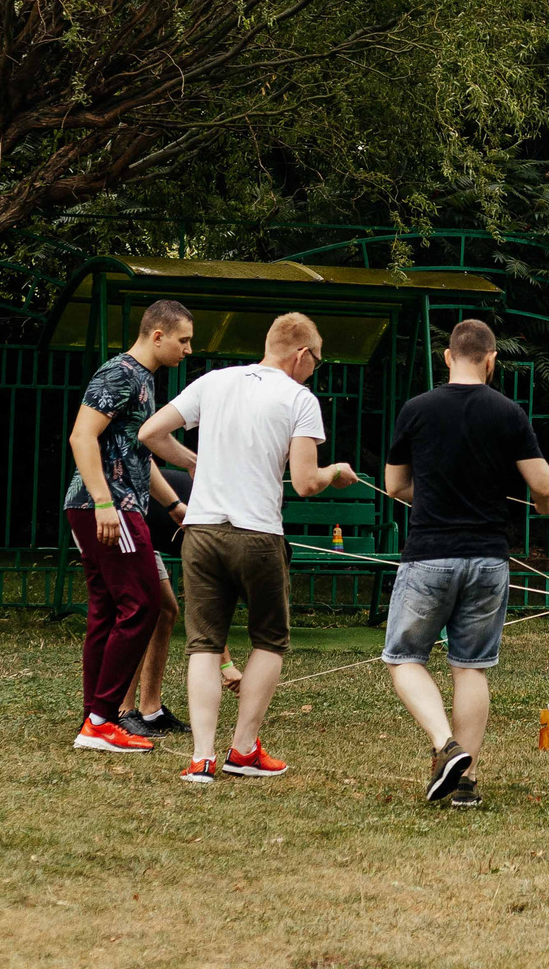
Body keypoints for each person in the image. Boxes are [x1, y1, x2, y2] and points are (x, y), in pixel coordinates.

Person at [139, 312, 357, 786]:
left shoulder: (214, 381)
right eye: (316, 360)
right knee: (269, 640)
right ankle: (242, 750)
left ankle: (201, 759)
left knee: (204, 643)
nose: (314, 369)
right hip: (257, 534)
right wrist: (335, 472)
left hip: (201, 531)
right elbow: (304, 482)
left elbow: (150, 434)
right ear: (301, 354)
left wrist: (191, 459)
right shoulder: (299, 398)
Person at [382, 319, 549, 810]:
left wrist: (436, 495)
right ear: (491, 359)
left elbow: (395, 486)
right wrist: (547, 503)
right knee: (471, 668)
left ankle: (446, 745)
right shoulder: (507, 411)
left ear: (447, 357)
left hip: (429, 557)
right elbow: (544, 486)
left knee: (403, 657)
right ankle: (466, 782)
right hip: (487, 559)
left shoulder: (416, 409)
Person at [62, 300, 198, 754]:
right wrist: (103, 502)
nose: (188, 350)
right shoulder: (119, 373)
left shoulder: (143, 379)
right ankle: (103, 719)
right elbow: (82, 436)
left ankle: (93, 720)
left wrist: (175, 504)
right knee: (143, 604)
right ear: (157, 335)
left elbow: (139, 457)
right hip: (107, 508)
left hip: (112, 506)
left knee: (107, 611)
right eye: (183, 340)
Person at [121, 463, 239, 739]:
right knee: (142, 610)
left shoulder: (229, 529)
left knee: (165, 611)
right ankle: (122, 710)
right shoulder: (216, 531)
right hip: (120, 519)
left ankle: (151, 710)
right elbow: (204, 607)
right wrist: (227, 666)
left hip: (148, 529)